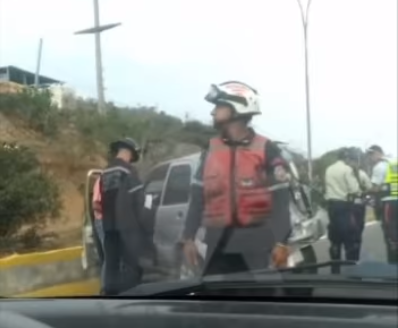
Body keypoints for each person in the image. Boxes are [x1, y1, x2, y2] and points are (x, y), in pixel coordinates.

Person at [182, 81, 292, 277]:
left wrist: (281, 242)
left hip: (256, 247)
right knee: (214, 304)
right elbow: (197, 198)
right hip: (217, 248)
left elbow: (281, 202)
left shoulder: (266, 149)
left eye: (218, 106)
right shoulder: (210, 151)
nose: (213, 113)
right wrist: (188, 238)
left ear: (237, 109)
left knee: (257, 305)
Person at [100, 137, 145, 295]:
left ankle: (110, 297)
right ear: (129, 152)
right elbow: (139, 201)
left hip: (109, 227)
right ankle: (130, 298)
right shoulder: (129, 171)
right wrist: (144, 224)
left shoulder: (105, 172)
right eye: (133, 156)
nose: (132, 160)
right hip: (127, 227)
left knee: (111, 265)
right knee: (131, 265)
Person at [324, 148, 361, 273]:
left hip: (331, 207)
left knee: (335, 239)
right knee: (350, 238)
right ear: (346, 158)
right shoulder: (347, 169)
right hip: (344, 206)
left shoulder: (329, 169)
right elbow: (354, 189)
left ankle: (335, 270)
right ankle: (352, 270)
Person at [366, 145, 398, 264]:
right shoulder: (394, 162)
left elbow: (375, 187)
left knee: (391, 233)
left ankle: (393, 266)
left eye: (371, 155)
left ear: (377, 153)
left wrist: (367, 192)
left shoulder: (379, 167)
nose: (370, 159)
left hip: (389, 202)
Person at [345, 148, 372, 262]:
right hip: (359, 206)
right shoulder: (362, 174)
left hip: (346, 205)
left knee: (348, 231)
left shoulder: (344, 173)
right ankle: (354, 257)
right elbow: (369, 188)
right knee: (358, 231)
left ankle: (349, 256)